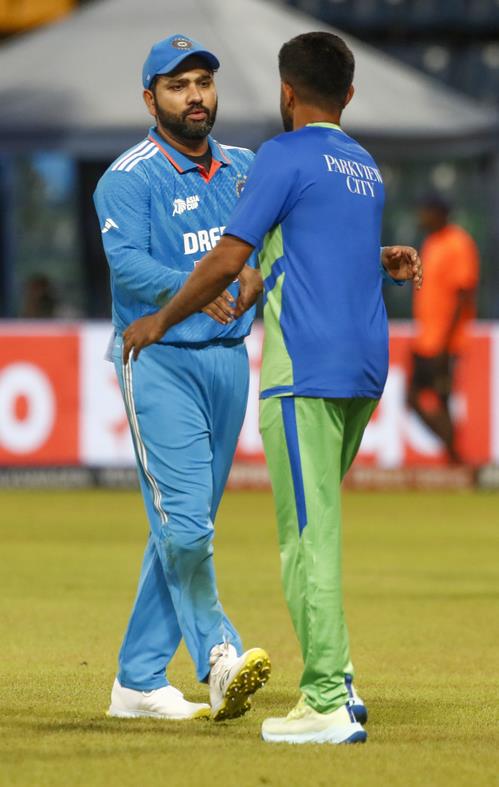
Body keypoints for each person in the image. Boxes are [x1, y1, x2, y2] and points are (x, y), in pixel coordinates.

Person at [121, 31, 422, 745]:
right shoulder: (364, 164)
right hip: (364, 368)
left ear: (287, 92)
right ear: (349, 94)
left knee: (306, 538)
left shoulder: (282, 156)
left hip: (304, 372)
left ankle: (324, 701)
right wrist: (384, 258)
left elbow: (229, 257)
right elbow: (331, 248)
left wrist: (160, 319)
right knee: (321, 522)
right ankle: (340, 677)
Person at [94, 33, 270, 723]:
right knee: (187, 526)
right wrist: (202, 286)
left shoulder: (245, 167)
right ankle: (220, 657)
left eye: (202, 82)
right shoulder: (128, 176)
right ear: (151, 100)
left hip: (228, 361)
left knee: (181, 525)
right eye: (177, 85)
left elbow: (285, 246)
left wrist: (370, 258)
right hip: (159, 358)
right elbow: (127, 266)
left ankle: (137, 680)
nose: (194, 96)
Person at [407, 194, 479, 464]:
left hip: (445, 341)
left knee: (441, 398)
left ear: (440, 214)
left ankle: (455, 457)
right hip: (426, 338)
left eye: (426, 211)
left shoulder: (458, 243)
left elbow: (463, 294)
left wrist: (446, 344)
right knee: (415, 398)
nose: (422, 217)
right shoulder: (431, 242)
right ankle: (454, 454)